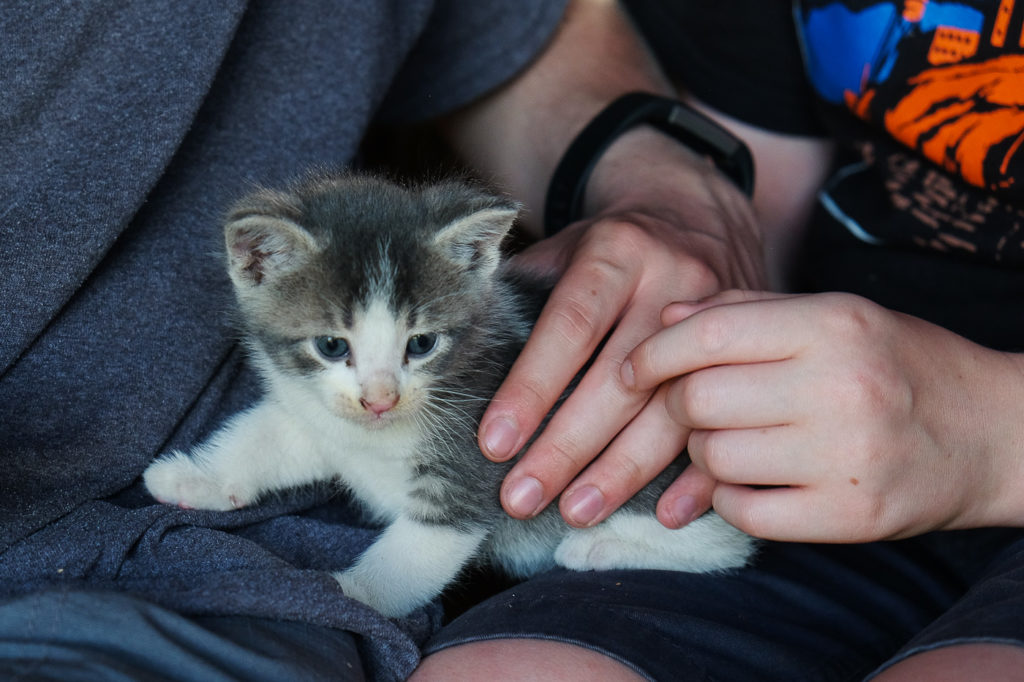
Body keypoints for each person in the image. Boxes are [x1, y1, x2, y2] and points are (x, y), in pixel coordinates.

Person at [0, 0, 760, 680]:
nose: (378, 392)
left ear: (473, 264)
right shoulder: (306, 316)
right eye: (335, 349)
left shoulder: (462, 372)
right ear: (255, 264)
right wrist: (217, 474)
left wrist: (366, 591)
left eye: (418, 347)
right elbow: (301, 431)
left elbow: (452, 515)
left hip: (592, 516)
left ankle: (691, 541)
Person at [413, 1, 1024, 680]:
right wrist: (686, 283)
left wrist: (991, 436)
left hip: (992, 439)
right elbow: (759, 215)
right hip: (822, 450)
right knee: (507, 670)